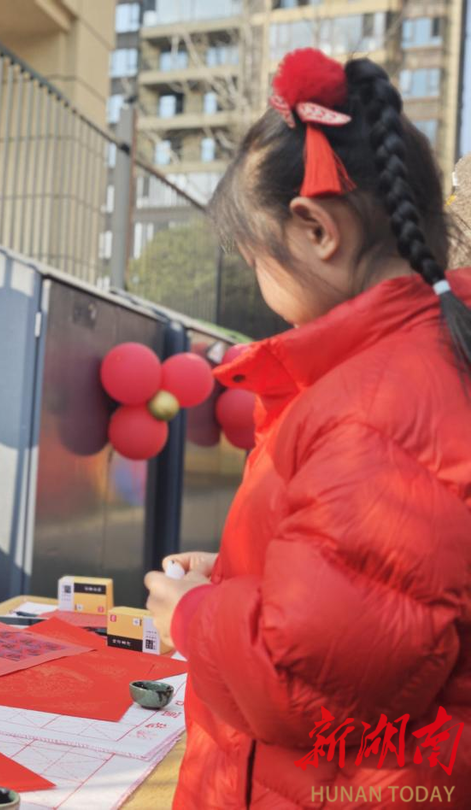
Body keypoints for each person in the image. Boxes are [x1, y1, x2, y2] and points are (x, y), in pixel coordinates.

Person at [143, 49, 471, 808]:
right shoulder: (409, 369)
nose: (259, 281)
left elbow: (308, 683)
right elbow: (359, 602)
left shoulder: (378, 404)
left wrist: (190, 614)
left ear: (316, 229)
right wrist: (241, 575)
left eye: (256, 255)